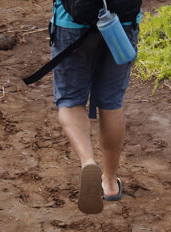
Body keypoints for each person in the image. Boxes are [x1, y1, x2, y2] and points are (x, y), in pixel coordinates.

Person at [50, 0, 141, 214]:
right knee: (111, 104)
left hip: (71, 25)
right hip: (121, 24)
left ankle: (88, 162)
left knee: (70, 101)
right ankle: (109, 183)